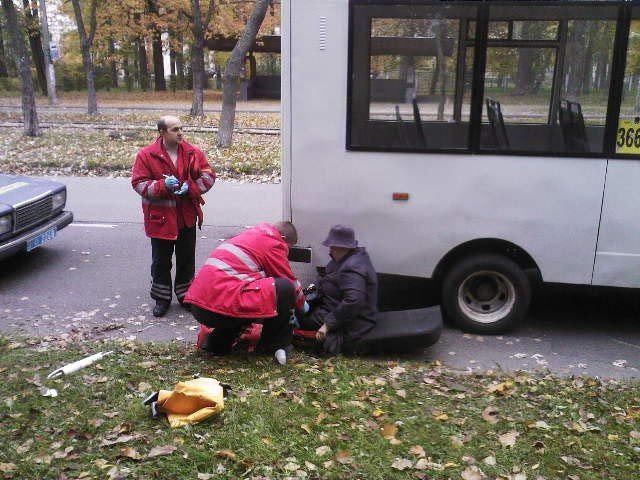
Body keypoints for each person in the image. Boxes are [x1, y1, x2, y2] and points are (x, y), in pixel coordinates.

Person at [184, 221, 305, 364]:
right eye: (288, 248)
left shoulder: (252, 236)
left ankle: (217, 343)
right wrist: (303, 305)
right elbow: (289, 280)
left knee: (251, 292)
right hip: (220, 305)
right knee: (283, 288)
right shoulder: (274, 242)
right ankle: (272, 346)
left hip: (200, 305)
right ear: (283, 238)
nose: (287, 252)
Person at [131, 115, 216, 317]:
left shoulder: (192, 152)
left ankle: (186, 295)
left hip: (186, 217)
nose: (180, 133)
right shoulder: (146, 155)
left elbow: (209, 175)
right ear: (162, 132)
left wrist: (192, 187)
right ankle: (162, 298)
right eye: (174, 129)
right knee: (161, 261)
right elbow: (139, 183)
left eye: (181, 128)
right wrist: (162, 186)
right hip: (160, 220)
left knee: (187, 259)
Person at [299, 225, 378, 355]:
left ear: (342, 248)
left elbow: (353, 301)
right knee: (302, 312)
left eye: (332, 247)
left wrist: (328, 325)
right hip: (334, 306)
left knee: (302, 319)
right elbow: (325, 279)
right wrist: (305, 292)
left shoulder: (352, 268)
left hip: (352, 322)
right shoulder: (347, 259)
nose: (330, 250)